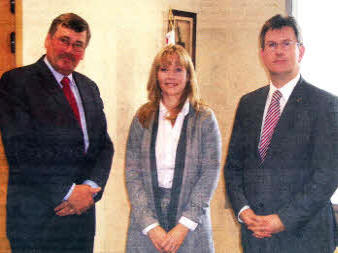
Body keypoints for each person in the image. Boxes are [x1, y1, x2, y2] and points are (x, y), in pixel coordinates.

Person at [0, 13, 114, 253]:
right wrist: (68, 191)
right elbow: (20, 151)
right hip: (36, 222)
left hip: (81, 219)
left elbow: (104, 145)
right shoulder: (16, 82)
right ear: (48, 40)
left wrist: (90, 189)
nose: (69, 50)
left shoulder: (89, 87)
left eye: (77, 45)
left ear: (84, 50)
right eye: (64, 40)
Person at [225, 14, 338, 253]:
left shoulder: (326, 105)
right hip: (255, 237)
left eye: (287, 43)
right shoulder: (248, 104)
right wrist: (244, 211)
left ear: (301, 51)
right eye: (272, 45)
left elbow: (327, 175)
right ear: (262, 54)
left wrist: (283, 219)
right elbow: (233, 168)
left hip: (305, 237)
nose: (279, 51)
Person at [125, 44, 221, 253]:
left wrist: (183, 226)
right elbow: (132, 174)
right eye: (164, 69)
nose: (171, 76)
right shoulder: (143, 117)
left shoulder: (204, 118)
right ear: (156, 75)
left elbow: (210, 174)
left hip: (190, 222)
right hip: (147, 221)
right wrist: (151, 226)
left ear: (188, 75)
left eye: (179, 69)